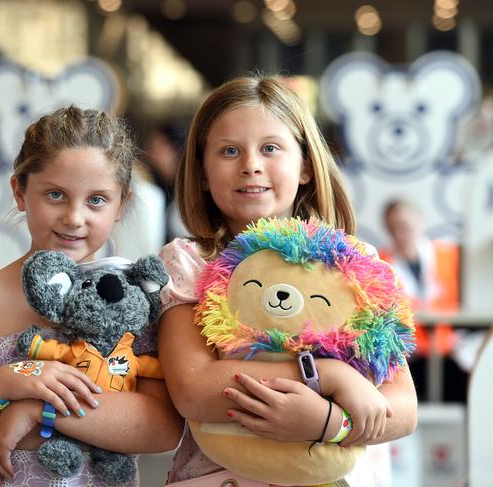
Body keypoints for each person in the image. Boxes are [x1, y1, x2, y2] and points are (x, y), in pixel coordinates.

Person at [157, 75, 418, 486]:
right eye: (228, 151)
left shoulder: (352, 264)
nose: (250, 164)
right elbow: (193, 388)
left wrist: (330, 424)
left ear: (307, 168)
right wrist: (330, 377)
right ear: (203, 173)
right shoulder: (190, 262)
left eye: (270, 148)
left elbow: (402, 408)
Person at [0, 106, 183, 487]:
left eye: (96, 200)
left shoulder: (136, 305)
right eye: (55, 194)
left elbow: (161, 428)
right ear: (20, 192)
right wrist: (2, 385)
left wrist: (39, 409)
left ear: (121, 204)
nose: (74, 217)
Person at [380, 199, 467, 402]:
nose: (400, 234)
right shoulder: (381, 263)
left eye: (405, 226)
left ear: (421, 222)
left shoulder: (451, 255)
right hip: (410, 356)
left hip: (451, 351)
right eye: (393, 229)